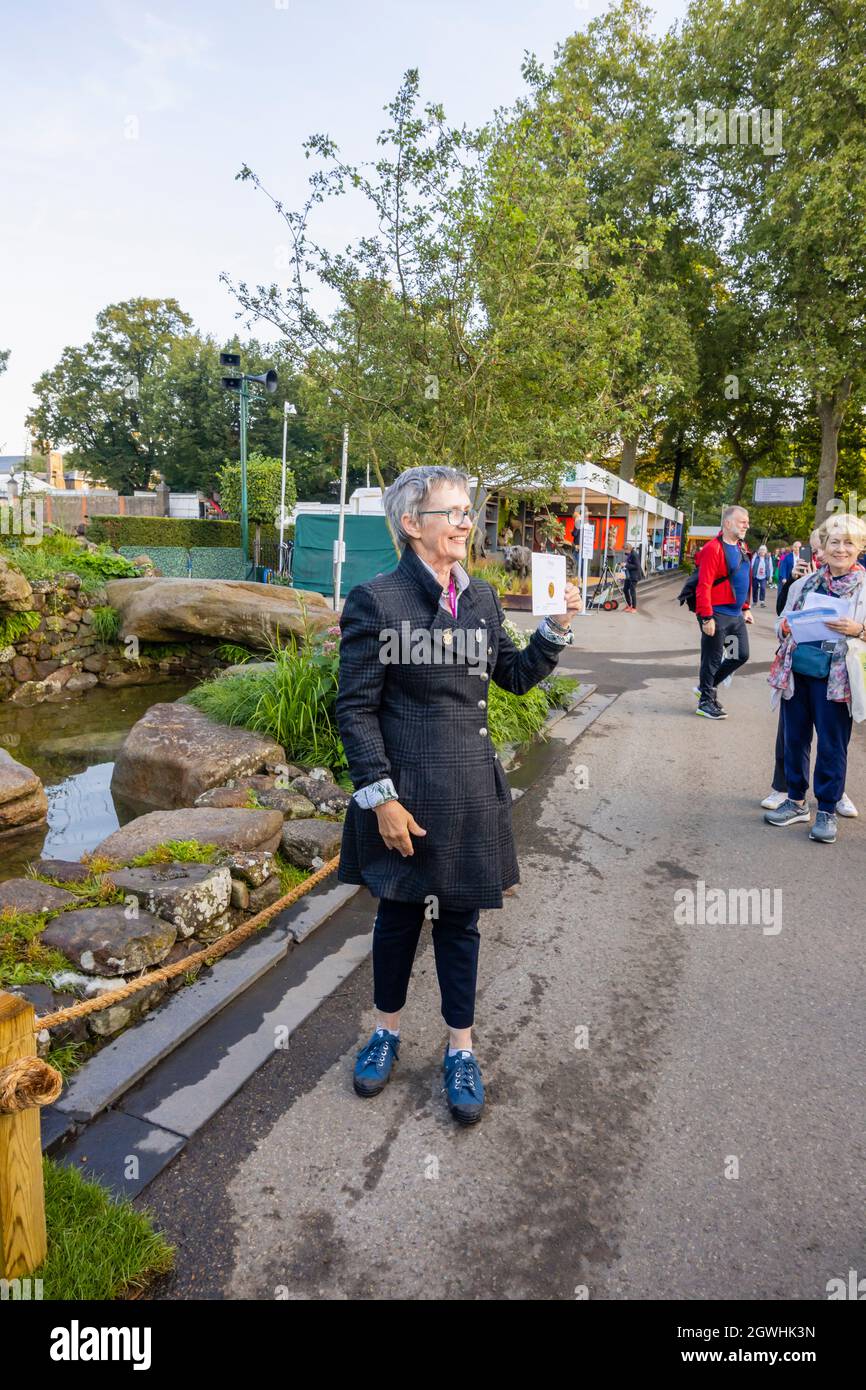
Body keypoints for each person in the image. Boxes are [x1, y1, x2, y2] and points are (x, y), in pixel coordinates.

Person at [336, 465, 582, 1124]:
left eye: (469, 511)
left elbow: (515, 677)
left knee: (461, 925)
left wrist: (555, 631)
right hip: (406, 797)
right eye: (455, 512)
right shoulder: (377, 600)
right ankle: (385, 1032)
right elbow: (355, 709)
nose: (467, 523)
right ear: (412, 524)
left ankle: (460, 1049)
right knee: (396, 919)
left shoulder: (480, 599)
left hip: (471, 788)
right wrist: (379, 797)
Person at [764, 513, 866, 843]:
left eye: (849, 543)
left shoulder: (863, 588)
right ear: (821, 547)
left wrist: (859, 629)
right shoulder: (803, 585)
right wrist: (784, 627)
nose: (841, 549)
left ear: (859, 547)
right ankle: (795, 802)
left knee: (832, 745)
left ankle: (825, 810)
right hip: (799, 671)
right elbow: (781, 621)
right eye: (834, 542)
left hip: (838, 678)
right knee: (794, 739)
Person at [693, 504, 753, 719]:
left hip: (735, 616)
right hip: (717, 614)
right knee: (712, 658)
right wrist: (706, 616)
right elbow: (704, 585)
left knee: (740, 655)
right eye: (742, 521)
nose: (747, 525)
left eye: (747, 521)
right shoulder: (713, 548)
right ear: (728, 523)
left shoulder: (741, 547)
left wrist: (745, 608)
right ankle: (705, 702)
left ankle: (705, 688)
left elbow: (744, 579)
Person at [622, 543, 642, 612]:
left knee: (632, 591)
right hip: (629, 575)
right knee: (625, 589)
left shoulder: (634, 555)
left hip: (634, 575)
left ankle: (634, 607)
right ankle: (628, 605)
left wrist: (626, 565)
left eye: (624, 550)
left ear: (628, 549)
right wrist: (624, 564)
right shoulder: (629, 554)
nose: (624, 551)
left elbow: (637, 566)